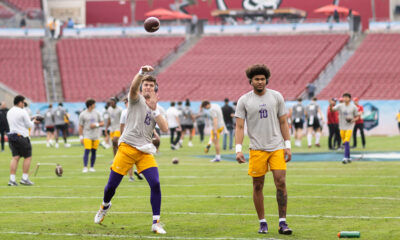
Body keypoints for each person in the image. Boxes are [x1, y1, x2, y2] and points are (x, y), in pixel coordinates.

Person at [94, 66, 168, 234]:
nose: (147, 87)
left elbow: (164, 128)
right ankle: (105, 205)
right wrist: (140, 73)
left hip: (144, 151)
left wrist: (155, 110)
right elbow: (133, 88)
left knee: (155, 183)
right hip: (127, 147)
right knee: (111, 187)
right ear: (142, 87)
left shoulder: (157, 107)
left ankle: (155, 223)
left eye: (151, 85)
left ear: (155, 89)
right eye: (145, 84)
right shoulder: (136, 99)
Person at [235, 64, 292, 235]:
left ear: (266, 80)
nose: (260, 82)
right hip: (256, 149)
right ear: (250, 81)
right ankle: (262, 222)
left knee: (280, 182)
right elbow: (239, 126)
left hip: (276, 147)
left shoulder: (276, 96)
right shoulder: (244, 100)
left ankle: (283, 223)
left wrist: (287, 145)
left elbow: (283, 122)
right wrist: (238, 149)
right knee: (258, 185)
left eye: (262, 79)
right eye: (256, 79)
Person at [7, 95, 40, 186]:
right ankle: (24, 178)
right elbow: (29, 125)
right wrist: (34, 121)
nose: (24, 104)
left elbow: (18, 122)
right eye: (23, 102)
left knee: (15, 157)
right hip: (22, 137)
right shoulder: (23, 111)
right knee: (27, 157)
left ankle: (12, 179)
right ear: (20, 102)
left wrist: (30, 120)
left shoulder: (9, 111)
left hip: (12, 136)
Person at [330, 93, 359, 164]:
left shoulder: (353, 107)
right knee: (345, 143)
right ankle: (348, 157)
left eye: (346, 97)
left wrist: (352, 120)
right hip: (342, 126)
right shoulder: (340, 105)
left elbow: (357, 116)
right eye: (344, 97)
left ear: (349, 98)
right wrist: (331, 105)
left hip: (350, 126)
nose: (345, 98)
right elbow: (332, 110)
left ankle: (345, 157)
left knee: (346, 141)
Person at [120, 97, 144, 182]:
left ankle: (132, 175)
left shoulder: (125, 112)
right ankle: (136, 173)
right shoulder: (138, 110)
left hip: (131, 137)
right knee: (137, 156)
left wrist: (121, 136)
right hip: (135, 137)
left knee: (133, 157)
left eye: (126, 102)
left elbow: (122, 126)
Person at [79, 99, 104, 173]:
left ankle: (92, 167)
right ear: (90, 105)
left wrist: (96, 125)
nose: (95, 105)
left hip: (96, 135)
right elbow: (80, 126)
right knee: (87, 150)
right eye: (94, 104)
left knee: (94, 151)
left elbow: (102, 123)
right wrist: (81, 136)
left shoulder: (97, 113)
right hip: (87, 135)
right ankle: (85, 167)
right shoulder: (83, 114)